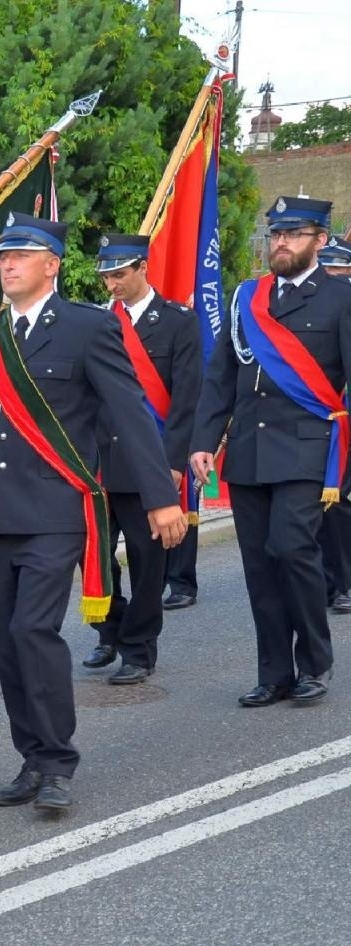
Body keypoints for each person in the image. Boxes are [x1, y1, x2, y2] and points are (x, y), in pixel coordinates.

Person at [0, 214, 185, 815]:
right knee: (5, 637)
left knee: (33, 630)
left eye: (21, 255)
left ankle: (56, 762)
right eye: (3, 257)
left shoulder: (86, 327)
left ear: (51, 264)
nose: (8, 264)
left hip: (57, 508)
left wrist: (161, 497)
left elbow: (130, 412)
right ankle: (29, 756)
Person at [190, 196, 351, 708]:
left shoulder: (341, 298)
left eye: (295, 234)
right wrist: (202, 441)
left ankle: (315, 664)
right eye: (275, 234)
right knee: (259, 565)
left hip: (309, 450)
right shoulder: (247, 298)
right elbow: (221, 377)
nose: (280, 243)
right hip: (251, 451)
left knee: (291, 548)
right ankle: (275, 671)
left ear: (320, 242)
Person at [84, 233, 202, 684]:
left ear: (142, 268)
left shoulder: (177, 322)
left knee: (147, 559)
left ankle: (139, 648)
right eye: (106, 276)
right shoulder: (96, 323)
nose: (111, 283)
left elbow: (186, 398)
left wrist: (171, 465)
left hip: (147, 461)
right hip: (98, 460)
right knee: (91, 552)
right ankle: (109, 631)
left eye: (119, 274)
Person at [314, 235, 351, 614]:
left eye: (339, 272)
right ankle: (326, 581)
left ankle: (343, 582)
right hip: (321, 417)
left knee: (337, 501)